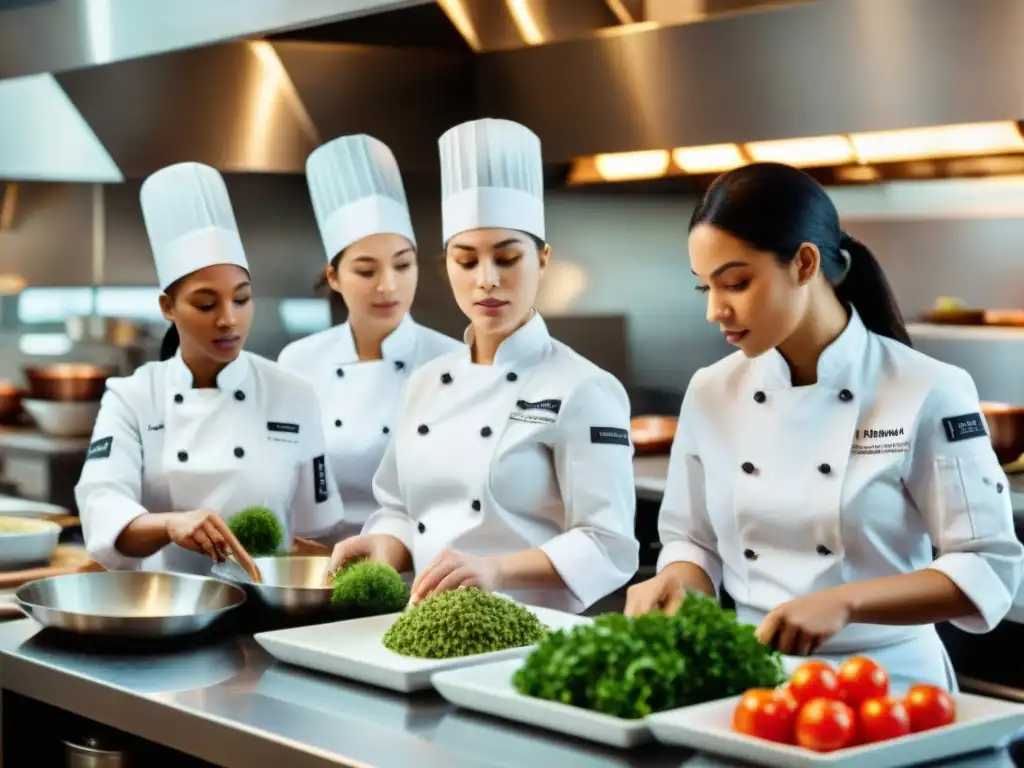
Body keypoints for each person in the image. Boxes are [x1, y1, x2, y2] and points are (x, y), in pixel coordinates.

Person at [624, 162, 1024, 689]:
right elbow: (690, 539)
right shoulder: (710, 391)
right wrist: (676, 577)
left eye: (737, 283)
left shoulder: (929, 388)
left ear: (805, 263)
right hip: (754, 681)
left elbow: (987, 564)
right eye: (705, 289)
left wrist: (846, 601)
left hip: (889, 684)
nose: (715, 311)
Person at [327, 118, 639, 613]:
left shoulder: (584, 387)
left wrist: (495, 569)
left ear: (543, 258)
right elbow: (402, 510)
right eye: (466, 261)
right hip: (426, 625)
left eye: (507, 258)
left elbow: (608, 542)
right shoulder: (426, 382)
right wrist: (385, 547)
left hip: (532, 632)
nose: (486, 280)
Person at [75, 162, 345, 575]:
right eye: (206, 304)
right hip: (162, 609)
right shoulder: (132, 397)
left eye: (241, 299)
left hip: (264, 609)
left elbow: (315, 530)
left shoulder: (292, 393)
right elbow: (102, 506)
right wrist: (170, 523)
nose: (228, 320)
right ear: (168, 307)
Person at [278, 134, 460, 539]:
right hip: (314, 565)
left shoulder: (454, 362)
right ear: (334, 277)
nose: (388, 286)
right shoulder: (297, 362)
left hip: (418, 568)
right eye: (366, 270)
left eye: (402, 265)